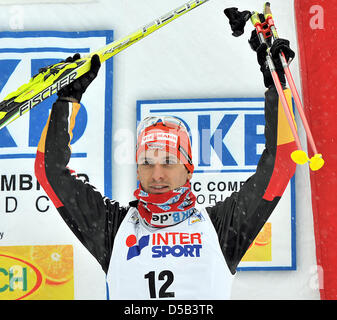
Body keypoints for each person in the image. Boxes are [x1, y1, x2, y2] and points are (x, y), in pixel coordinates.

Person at [34, 26, 297, 299]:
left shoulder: (220, 227)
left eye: (169, 161)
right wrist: (67, 100)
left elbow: (280, 164)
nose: (156, 174)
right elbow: (49, 171)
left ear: (188, 169)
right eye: (147, 162)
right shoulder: (113, 228)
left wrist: (277, 83)